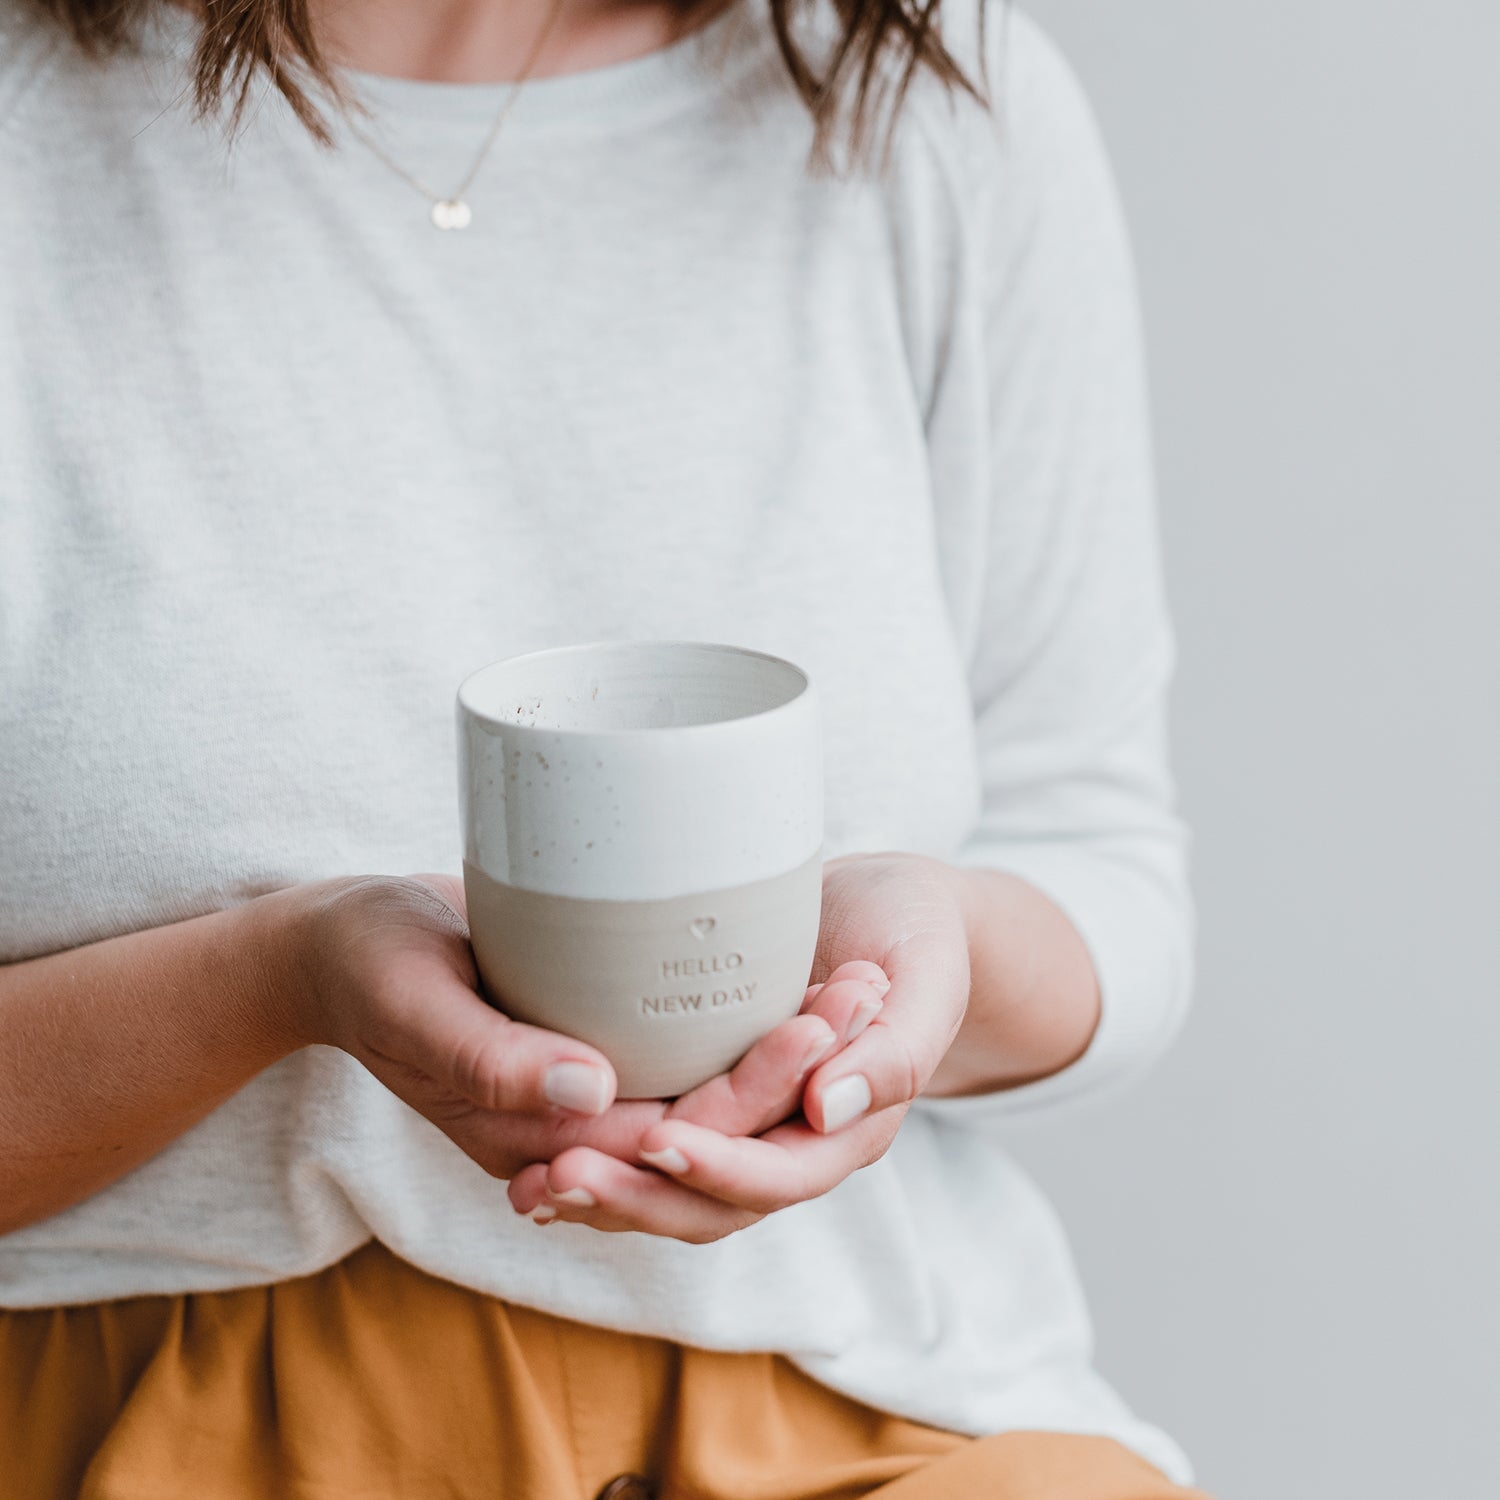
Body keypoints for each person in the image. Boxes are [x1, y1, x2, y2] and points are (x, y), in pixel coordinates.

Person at [0, 0, 1207, 1495]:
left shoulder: (930, 105)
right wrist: (279, 979)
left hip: (881, 1416)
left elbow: (1097, 854)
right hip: (142, 1428)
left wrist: (932, 951)